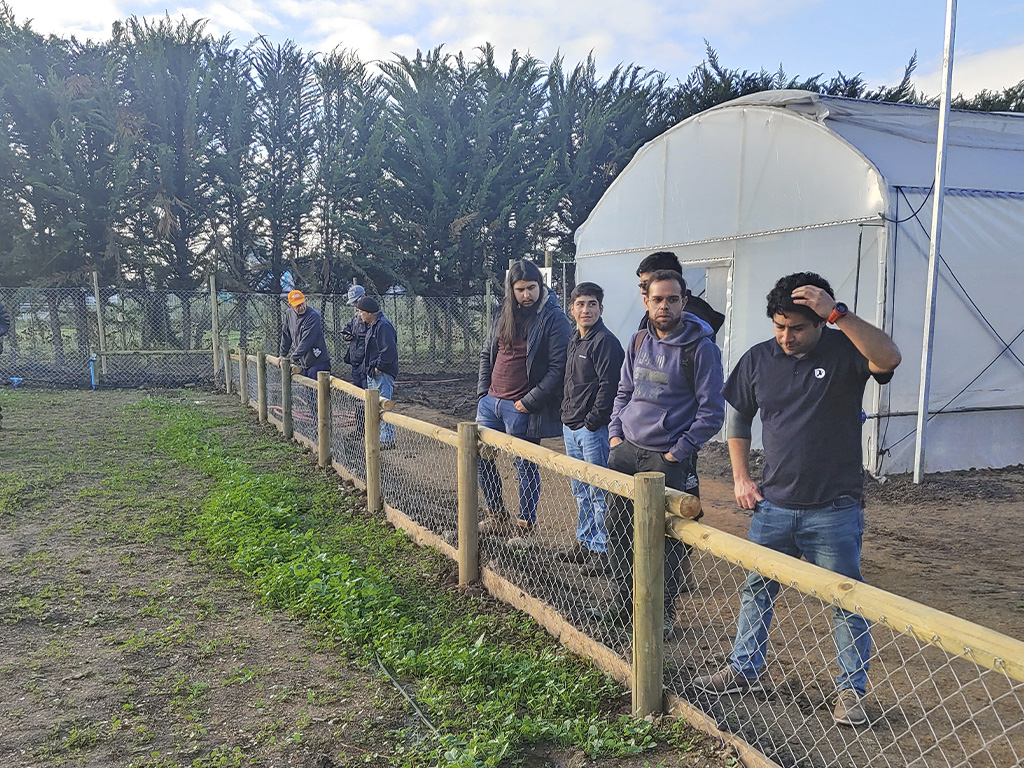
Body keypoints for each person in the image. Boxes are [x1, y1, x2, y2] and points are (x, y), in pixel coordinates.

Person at [694, 272, 901, 729]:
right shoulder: (758, 358)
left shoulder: (848, 351)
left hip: (834, 508)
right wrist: (741, 478)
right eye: (779, 326)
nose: (786, 337)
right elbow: (739, 420)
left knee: (847, 598)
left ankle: (851, 691)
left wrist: (839, 314)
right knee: (757, 589)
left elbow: (889, 357)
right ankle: (743, 669)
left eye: (798, 328)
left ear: (822, 321)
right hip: (773, 505)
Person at [605, 270, 725, 639]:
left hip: (666, 461)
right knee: (618, 529)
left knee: (669, 540)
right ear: (646, 301)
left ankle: (663, 613)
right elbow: (624, 391)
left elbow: (712, 413)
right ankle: (622, 604)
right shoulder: (639, 339)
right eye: (657, 299)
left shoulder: (701, 348)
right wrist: (615, 435)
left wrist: (677, 453)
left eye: (672, 299)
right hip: (626, 453)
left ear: (684, 301)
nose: (664, 306)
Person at [477, 259, 571, 538]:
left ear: (541, 286)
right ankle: (496, 514)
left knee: (524, 466)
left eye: (532, 288)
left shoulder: (554, 318)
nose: (527, 294)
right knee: (481, 458)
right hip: (491, 403)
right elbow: (487, 353)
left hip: (521, 407)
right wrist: (483, 394)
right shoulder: (502, 313)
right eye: (520, 289)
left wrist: (529, 401)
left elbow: (558, 368)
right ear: (511, 289)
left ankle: (525, 528)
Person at [559, 282, 624, 574]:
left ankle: (604, 550)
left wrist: (593, 421)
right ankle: (585, 542)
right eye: (581, 304)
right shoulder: (575, 339)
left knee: (599, 491)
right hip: (571, 426)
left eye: (592, 304)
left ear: (601, 308)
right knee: (581, 489)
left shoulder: (605, 342)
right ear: (572, 309)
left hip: (593, 431)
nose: (586, 310)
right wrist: (566, 415)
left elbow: (610, 387)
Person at [636, 251, 724, 340]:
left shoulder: (692, 324)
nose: (642, 291)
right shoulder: (652, 319)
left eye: (647, 284)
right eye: (641, 285)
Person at [356, 295, 399, 448]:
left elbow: (388, 351)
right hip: (374, 372)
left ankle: (387, 439)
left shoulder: (383, 326)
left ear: (369, 312)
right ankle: (380, 436)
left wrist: (379, 367)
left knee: (383, 404)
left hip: (382, 373)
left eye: (361, 312)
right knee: (376, 405)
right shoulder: (374, 325)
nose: (360, 315)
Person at [281, 290, 331, 380]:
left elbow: (307, 341)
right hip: (303, 362)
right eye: (298, 305)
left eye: (302, 303)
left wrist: (292, 359)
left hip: (317, 361)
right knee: (307, 387)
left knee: (315, 387)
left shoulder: (313, 316)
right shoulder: (289, 314)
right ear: (290, 305)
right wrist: (282, 355)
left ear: (305, 300)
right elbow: (286, 336)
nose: (301, 307)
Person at [342, 285, 368, 388]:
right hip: (355, 362)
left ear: (363, 297)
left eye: (356, 302)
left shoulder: (370, 317)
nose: (355, 305)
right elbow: (349, 327)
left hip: (365, 363)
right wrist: (347, 334)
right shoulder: (356, 316)